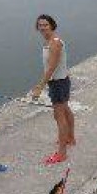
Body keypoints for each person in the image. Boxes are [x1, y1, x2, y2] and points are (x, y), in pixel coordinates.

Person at [32, 14, 75, 165]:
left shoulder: (55, 43)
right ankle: (70, 138)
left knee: (59, 116)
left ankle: (62, 153)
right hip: (61, 81)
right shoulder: (49, 42)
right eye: (40, 25)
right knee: (65, 110)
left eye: (45, 25)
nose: (43, 27)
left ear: (52, 25)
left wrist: (39, 87)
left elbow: (51, 68)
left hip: (58, 83)